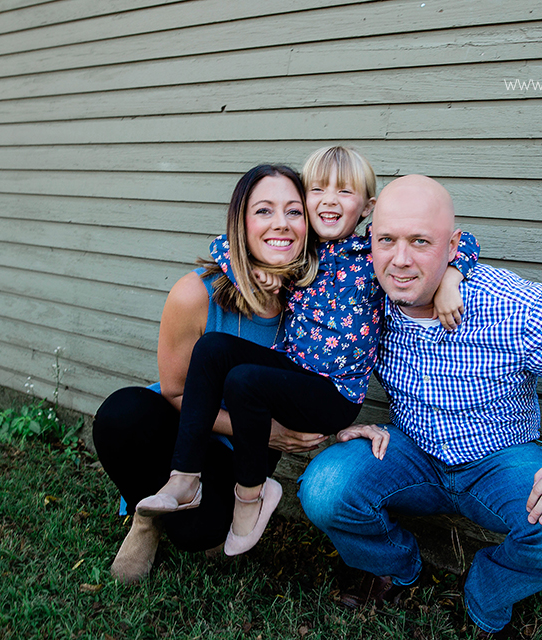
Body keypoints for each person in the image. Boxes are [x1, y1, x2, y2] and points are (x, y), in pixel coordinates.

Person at [298, 175, 542, 638]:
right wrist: (335, 423)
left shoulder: (510, 305)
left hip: (501, 458)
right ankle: (392, 566)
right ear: (369, 239)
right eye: (387, 240)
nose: (401, 259)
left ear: (453, 246)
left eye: (420, 242)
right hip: (408, 449)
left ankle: (486, 593)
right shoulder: (361, 299)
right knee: (326, 486)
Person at [135, 147, 480, 557]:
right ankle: (184, 478)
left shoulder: (374, 251)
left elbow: (463, 242)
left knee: (245, 379)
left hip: (334, 393)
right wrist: (252, 269)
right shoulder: (302, 251)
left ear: (368, 207)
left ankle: (251, 495)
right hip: (291, 374)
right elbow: (225, 246)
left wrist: (451, 279)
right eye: (318, 189)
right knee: (212, 349)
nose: (330, 200)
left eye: (345, 192)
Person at [93, 164, 326, 583]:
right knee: (120, 414)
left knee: (200, 534)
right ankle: (145, 518)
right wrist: (267, 431)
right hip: (182, 430)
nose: (281, 224)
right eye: (264, 211)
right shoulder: (195, 293)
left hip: (238, 457)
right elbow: (175, 393)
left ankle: (194, 512)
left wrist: (450, 278)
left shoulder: (317, 302)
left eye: (294, 212)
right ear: (240, 221)